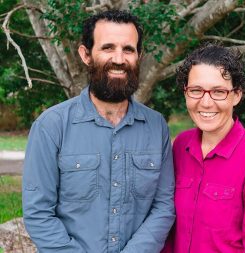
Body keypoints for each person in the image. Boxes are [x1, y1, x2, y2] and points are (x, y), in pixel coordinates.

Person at [22, 10, 175, 253]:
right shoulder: (51, 126)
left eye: (128, 49)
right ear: (86, 54)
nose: (119, 59)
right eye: (107, 48)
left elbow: (163, 207)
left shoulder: (157, 127)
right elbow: (38, 213)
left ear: (139, 55)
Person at [162, 43, 245, 253]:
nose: (206, 102)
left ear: (237, 95)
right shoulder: (180, 147)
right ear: (185, 93)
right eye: (196, 90)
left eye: (218, 91)